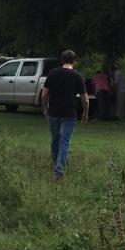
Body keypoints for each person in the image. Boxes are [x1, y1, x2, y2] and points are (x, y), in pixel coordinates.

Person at [41, 49, 89, 179]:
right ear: (75, 62)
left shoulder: (53, 73)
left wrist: (45, 108)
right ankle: (59, 170)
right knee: (64, 141)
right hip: (69, 114)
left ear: (61, 60)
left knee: (55, 140)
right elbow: (85, 99)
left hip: (54, 112)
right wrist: (85, 113)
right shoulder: (77, 76)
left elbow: (44, 94)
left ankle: (57, 165)